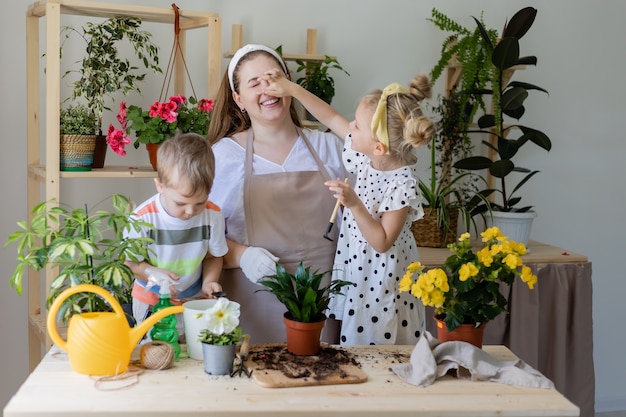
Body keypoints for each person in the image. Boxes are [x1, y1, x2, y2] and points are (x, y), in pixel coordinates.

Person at [260, 69, 434, 345]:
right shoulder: (365, 156)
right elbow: (329, 116)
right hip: (360, 273)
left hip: (383, 284)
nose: (349, 126)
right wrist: (291, 89)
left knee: (379, 348)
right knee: (357, 342)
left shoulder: (401, 183)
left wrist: (354, 204)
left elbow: (382, 241)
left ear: (379, 147)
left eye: (356, 125)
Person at [207, 44, 348, 344]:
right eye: (254, 83)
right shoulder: (223, 158)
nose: (267, 89)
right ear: (238, 99)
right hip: (253, 307)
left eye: (273, 78)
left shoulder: (329, 149)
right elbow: (201, 236)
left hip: (328, 309)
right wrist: (243, 256)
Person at [125, 132, 228, 326]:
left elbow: (214, 256)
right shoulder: (142, 219)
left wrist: (209, 282)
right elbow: (131, 264)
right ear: (160, 186)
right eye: (181, 203)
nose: (190, 211)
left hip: (194, 299)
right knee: (156, 351)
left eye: (199, 202)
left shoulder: (212, 215)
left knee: (194, 352)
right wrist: (153, 274)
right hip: (152, 300)